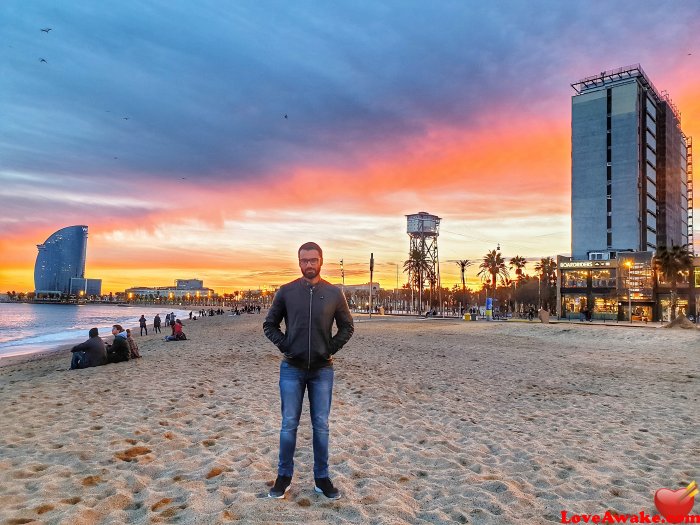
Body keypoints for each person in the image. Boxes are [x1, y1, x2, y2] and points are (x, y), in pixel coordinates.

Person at [263, 242, 354, 500]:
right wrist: (287, 346)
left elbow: (347, 327)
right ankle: (284, 477)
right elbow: (270, 325)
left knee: (321, 425)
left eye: (313, 260)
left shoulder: (334, 293)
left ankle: (322, 478)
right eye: (304, 260)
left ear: (321, 261)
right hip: (291, 368)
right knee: (288, 424)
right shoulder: (286, 292)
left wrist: (329, 349)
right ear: (299, 262)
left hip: (322, 370)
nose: (309, 265)